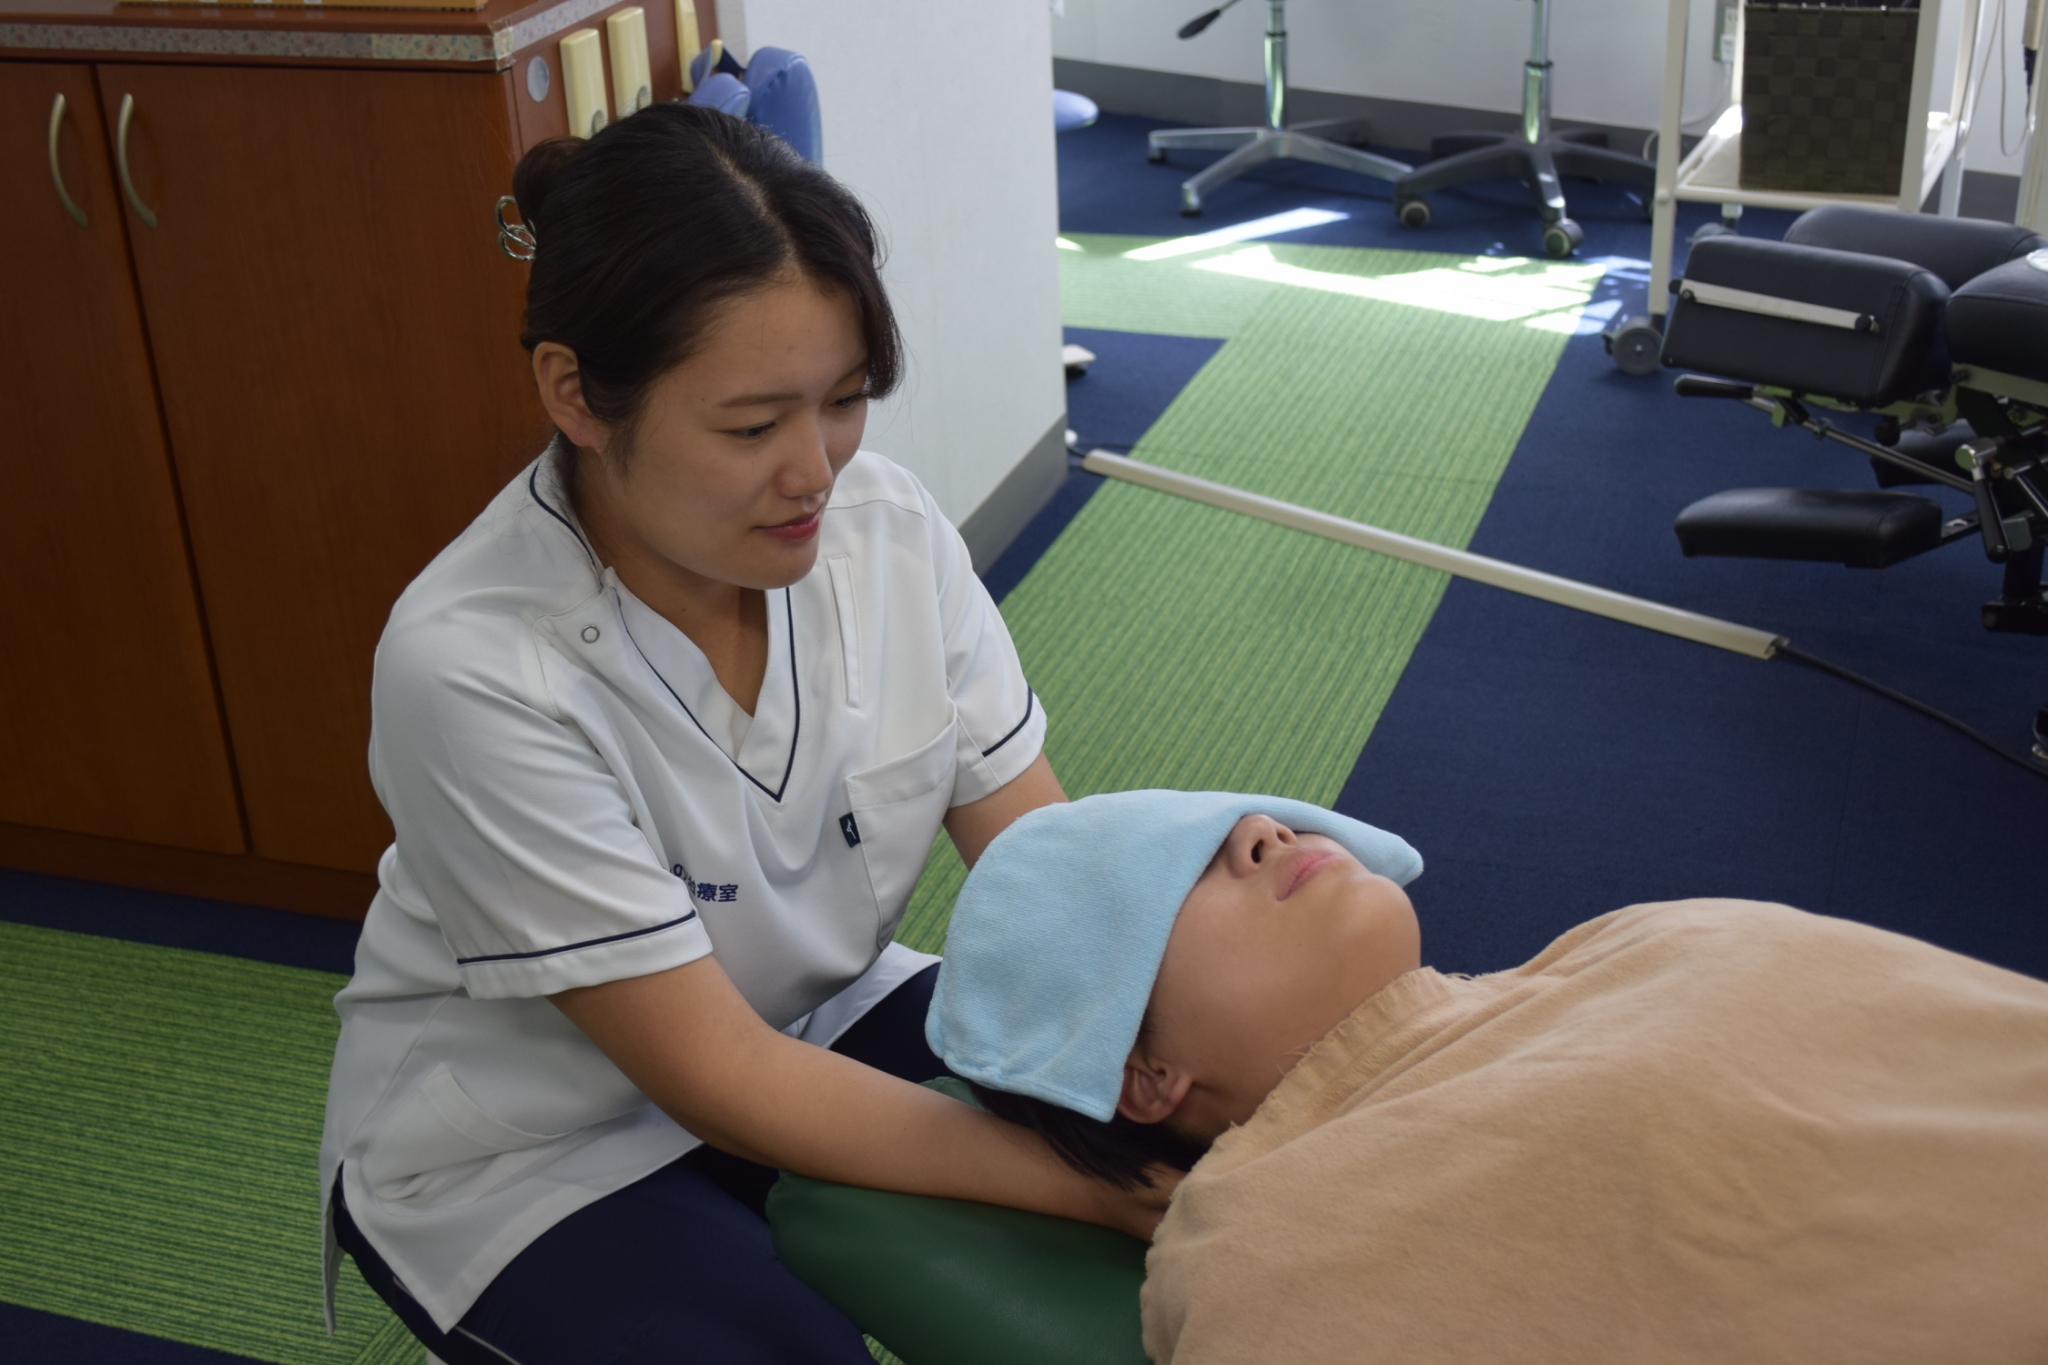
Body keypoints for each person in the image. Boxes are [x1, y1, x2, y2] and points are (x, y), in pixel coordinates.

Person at [319, 104, 1164, 1365]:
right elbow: (711, 1076)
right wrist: (1094, 1188)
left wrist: (1167, 1080)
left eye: (844, 401)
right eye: (752, 426)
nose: (816, 472)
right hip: (532, 1144)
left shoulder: (882, 527)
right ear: (576, 394)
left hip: (808, 1018)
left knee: (1171, 1140)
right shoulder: (476, 667)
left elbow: (1042, 872)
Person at [929, 790, 2048, 1364]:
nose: (1260, 832)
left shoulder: (1633, 939)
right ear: (1144, 1075)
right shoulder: (1265, 1251)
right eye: (1184, 876)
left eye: (1245, 820)